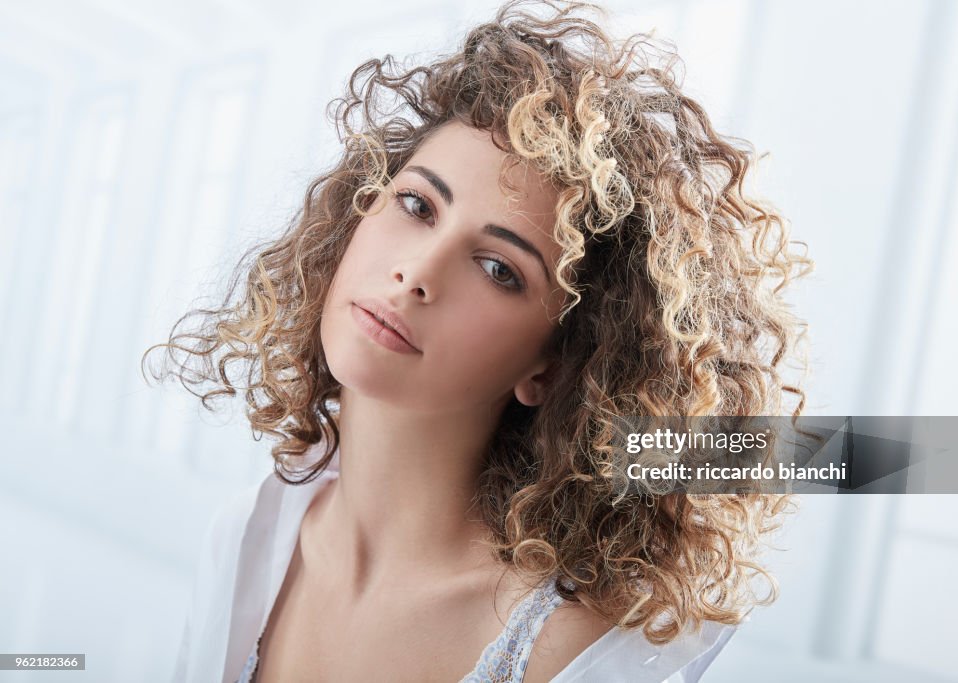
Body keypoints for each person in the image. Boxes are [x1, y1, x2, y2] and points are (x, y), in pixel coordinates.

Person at [145, 0, 813, 680]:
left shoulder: (576, 653)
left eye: (499, 269)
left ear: (551, 365)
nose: (418, 275)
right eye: (417, 205)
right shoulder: (246, 541)